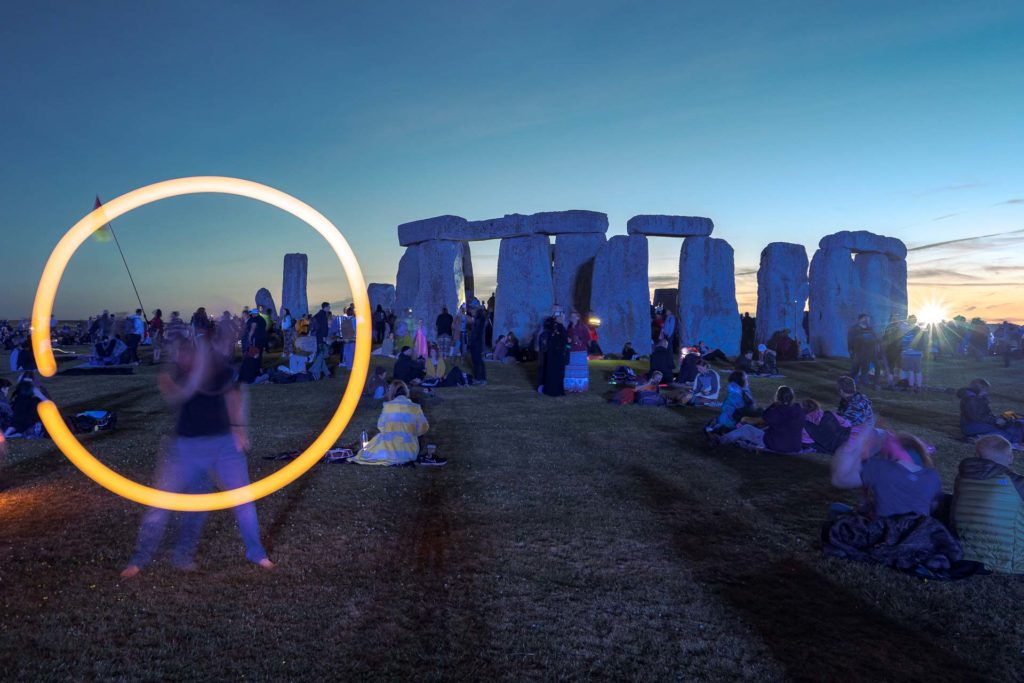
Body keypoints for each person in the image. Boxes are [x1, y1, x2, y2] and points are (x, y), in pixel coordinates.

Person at [120, 329, 273, 578]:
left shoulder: (217, 369)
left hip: (224, 446)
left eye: (186, 352)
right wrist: (194, 375)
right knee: (165, 505)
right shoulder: (171, 377)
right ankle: (142, 559)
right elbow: (176, 396)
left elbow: (233, 396)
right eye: (177, 354)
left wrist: (239, 428)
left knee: (243, 501)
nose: (182, 358)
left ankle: (257, 553)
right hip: (186, 448)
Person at [830, 428, 942, 519]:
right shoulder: (933, 477)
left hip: (884, 536)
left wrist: (854, 444)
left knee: (836, 508)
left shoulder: (880, 467)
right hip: (918, 537)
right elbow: (933, 505)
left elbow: (839, 479)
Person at [951, 435, 1024, 573]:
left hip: (966, 554)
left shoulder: (962, 477)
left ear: (977, 455)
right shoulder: (1017, 482)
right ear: (1010, 457)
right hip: (1008, 560)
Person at [349, 381, 431, 466]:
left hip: (389, 450)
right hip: (410, 451)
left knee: (369, 450)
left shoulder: (388, 407)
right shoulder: (415, 407)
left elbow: (381, 426)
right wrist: (410, 434)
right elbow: (424, 428)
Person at [958, 378, 1024, 443]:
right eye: (985, 390)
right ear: (977, 389)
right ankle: (977, 438)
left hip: (980, 423)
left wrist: (997, 419)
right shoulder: (971, 400)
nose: (986, 392)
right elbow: (976, 418)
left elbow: (986, 413)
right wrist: (995, 421)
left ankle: (981, 437)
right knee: (1004, 433)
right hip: (971, 426)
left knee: (1008, 428)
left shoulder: (980, 398)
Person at [537, 315, 567, 397]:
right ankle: (547, 388)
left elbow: (565, 340)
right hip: (551, 354)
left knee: (555, 372)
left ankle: (553, 389)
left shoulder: (560, 328)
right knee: (548, 371)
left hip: (556, 354)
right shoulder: (548, 331)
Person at [847, 314, 878, 387]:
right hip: (857, 352)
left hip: (868, 353)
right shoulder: (854, 329)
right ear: (860, 319)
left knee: (866, 368)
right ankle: (852, 382)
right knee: (855, 368)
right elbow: (850, 340)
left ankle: (863, 381)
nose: (867, 321)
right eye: (865, 319)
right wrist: (850, 350)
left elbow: (875, 339)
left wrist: (875, 350)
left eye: (868, 319)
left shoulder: (870, 329)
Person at [564, 310, 591, 392]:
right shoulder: (569, 327)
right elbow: (567, 339)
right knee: (571, 369)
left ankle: (580, 387)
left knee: (579, 370)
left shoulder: (583, 326)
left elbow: (588, 338)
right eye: (571, 316)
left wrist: (581, 340)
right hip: (572, 351)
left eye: (574, 316)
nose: (572, 317)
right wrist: (567, 341)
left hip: (580, 351)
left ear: (578, 317)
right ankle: (571, 386)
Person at [468, 306, 487, 385]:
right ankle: (482, 378)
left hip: (476, 344)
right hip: (477, 343)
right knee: (479, 361)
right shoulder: (480, 319)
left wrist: (471, 343)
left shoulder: (478, 320)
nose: (470, 311)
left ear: (476, 310)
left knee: (477, 362)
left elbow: (475, 334)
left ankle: (478, 378)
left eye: (472, 310)